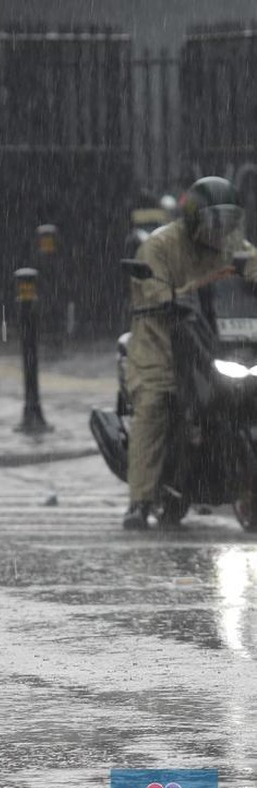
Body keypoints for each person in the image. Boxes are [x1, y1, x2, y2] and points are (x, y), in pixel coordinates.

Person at [123, 175, 257, 529]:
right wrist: (175, 295)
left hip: (209, 339)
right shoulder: (159, 246)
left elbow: (251, 264)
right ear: (195, 218)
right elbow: (152, 289)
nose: (221, 231)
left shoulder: (230, 243)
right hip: (162, 340)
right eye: (215, 222)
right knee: (155, 404)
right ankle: (140, 499)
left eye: (227, 223)